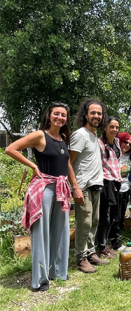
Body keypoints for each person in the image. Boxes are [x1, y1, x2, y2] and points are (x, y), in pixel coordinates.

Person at [5, 102, 73, 290]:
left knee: (61, 230)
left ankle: (58, 271)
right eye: (56, 114)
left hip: (61, 188)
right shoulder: (39, 135)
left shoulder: (62, 138)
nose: (60, 117)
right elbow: (10, 149)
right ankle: (40, 280)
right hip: (44, 189)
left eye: (63, 115)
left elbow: (66, 163)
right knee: (41, 233)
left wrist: (74, 185)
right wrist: (32, 165)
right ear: (49, 116)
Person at [69, 99, 109, 273]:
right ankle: (80, 258)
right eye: (93, 113)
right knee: (84, 223)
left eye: (99, 113)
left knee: (94, 221)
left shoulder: (94, 135)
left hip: (95, 184)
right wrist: (75, 187)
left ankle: (91, 253)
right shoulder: (80, 134)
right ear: (85, 114)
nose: (96, 116)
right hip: (83, 185)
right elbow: (68, 162)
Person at [95, 116, 122, 260]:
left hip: (116, 183)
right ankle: (101, 247)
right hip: (105, 183)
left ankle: (106, 244)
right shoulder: (99, 144)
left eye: (117, 127)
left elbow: (130, 140)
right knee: (104, 216)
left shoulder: (117, 142)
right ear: (104, 127)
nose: (114, 130)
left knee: (113, 216)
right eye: (111, 126)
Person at [114, 132, 131, 250]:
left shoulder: (129, 156)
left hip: (125, 188)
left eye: (130, 143)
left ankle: (117, 238)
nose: (127, 145)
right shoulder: (114, 153)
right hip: (114, 189)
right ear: (119, 141)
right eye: (125, 142)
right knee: (114, 216)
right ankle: (113, 242)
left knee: (121, 216)